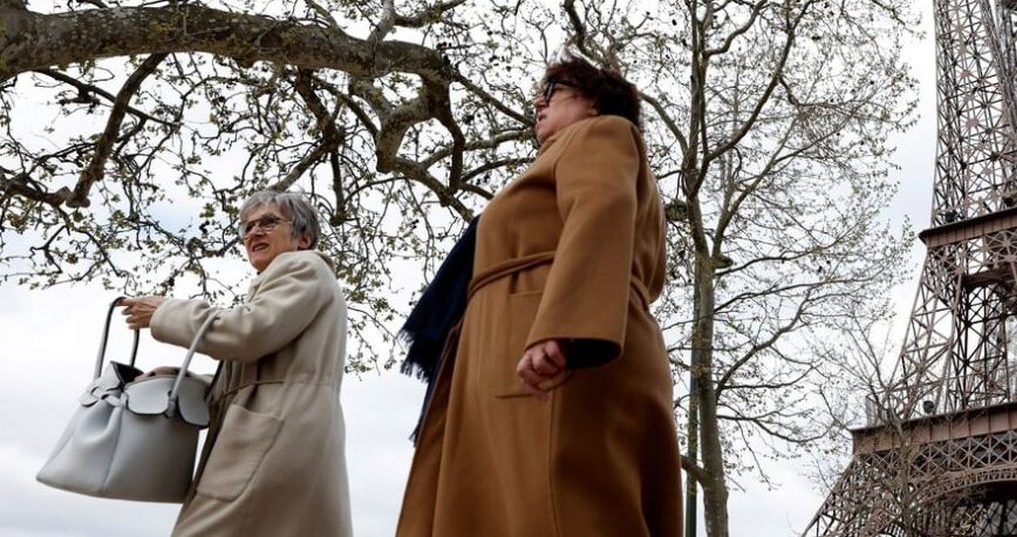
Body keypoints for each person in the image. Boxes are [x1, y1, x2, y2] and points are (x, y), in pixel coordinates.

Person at [397, 56, 681, 537]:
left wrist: (563, 326)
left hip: (552, 349)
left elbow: (600, 207)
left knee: (558, 510)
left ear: (595, 103)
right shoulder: (565, 155)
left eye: (555, 88)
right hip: (523, 346)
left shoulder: (602, 133)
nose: (538, 100)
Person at [120, 190, 351, 537]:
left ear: (304, 238)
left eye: (269, 222)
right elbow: (260, 365)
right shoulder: (290, 280)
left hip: (273, 435)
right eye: (248, 226)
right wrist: (191, 380)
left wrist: (166, 312)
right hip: (290, 430)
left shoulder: (303, 267)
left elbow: (247, 333)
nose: (254, 232)